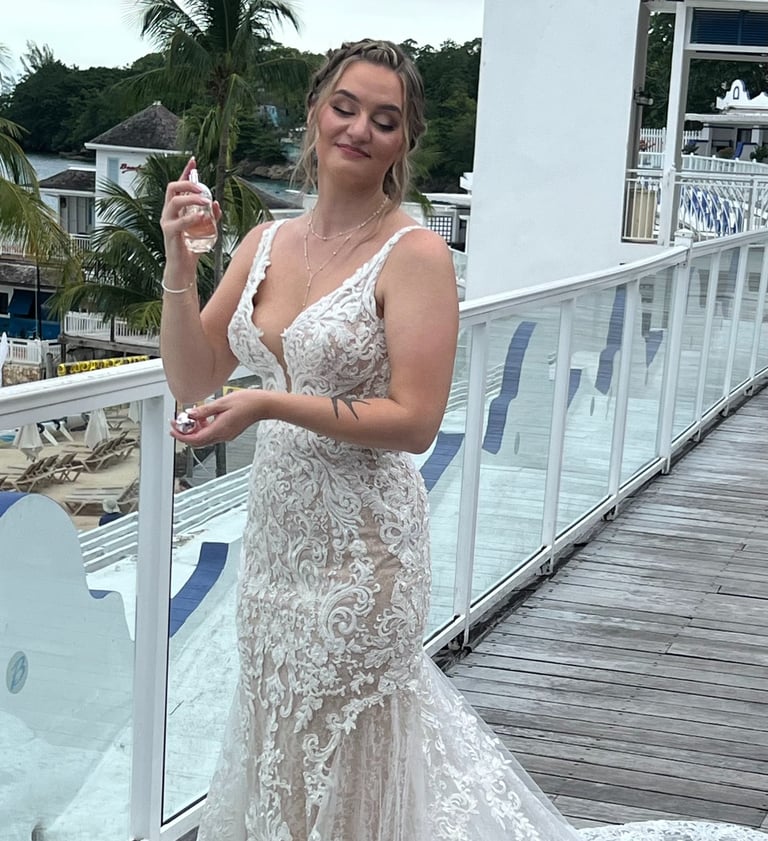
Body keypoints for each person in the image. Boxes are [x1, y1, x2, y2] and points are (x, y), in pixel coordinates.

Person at [159, 39, 766, 841]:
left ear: (404, 142)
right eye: (345, 107)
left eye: (385, 119)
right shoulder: (263, 243)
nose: (359, 129)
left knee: (352, 744)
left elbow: (415, 419)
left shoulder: (413, 253)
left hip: (364, 558)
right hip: (277, 548)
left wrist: (272, 404)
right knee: (281, 732)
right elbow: (192, 373)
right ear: (315, 111)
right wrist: (177, 258)